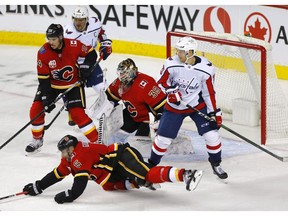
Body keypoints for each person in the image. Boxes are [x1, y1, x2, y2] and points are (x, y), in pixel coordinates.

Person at [23, 134, 203, 204]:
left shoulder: (79, 155)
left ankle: (186, 175)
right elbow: (57, 174)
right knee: (108, 186)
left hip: (121, 156)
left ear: (70, 148)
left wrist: (69, 196)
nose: (61, 154)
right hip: (111, 169)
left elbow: (80, 182)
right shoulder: (70, 158)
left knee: (147, 173)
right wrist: (39, 186)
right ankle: (137, 182)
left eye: (63, 151)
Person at [148, 36, 228, 180]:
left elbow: (209, 92)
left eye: (181, 51)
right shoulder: (171, 64)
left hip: (197, 105)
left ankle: (216, 164)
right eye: (178, 50)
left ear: (190, 52)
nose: (178, 54)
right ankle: (150, 165)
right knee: (162, 140)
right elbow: (160, 83)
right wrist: (170, 91)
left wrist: (214, 113)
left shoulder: (206, 68)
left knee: (212, 136)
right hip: (174, 107)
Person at [25, 23, 99, 153]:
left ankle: (98, 142)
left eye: (53, 39)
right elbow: (43, 79)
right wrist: (46, 98)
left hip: (73, 85)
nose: (51, 42)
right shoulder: (43, 52)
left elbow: (91, 53)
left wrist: (86, 67)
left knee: (77, 114)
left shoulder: (73, 45)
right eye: (49, 39)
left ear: (60, 37)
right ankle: (37, 139)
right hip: (51, 85)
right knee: (36, 109)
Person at [64, 6, 112, 126]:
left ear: (87, 19)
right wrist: (79, 70)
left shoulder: (95, 22)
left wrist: (105, 45)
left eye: (81, 20)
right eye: (76, 19)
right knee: (70, 90)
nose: (78, 23)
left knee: (103, 89)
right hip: (74, 64)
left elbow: (101, 34)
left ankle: (111, 112)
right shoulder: (68, 33)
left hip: (91, 60)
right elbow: (65, 55)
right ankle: (72, 111)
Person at [105, 58, 167, 141]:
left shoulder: (146, 84)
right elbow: (108, 99)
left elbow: (163, 107)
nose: (122, 77)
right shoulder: (118, 84)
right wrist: (105, 108)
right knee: (114, 135)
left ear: (132, 72)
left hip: (147, 120)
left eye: (125, 73)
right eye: (121, 73)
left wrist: (160, 124)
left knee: (140, 146)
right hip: (133, 115)